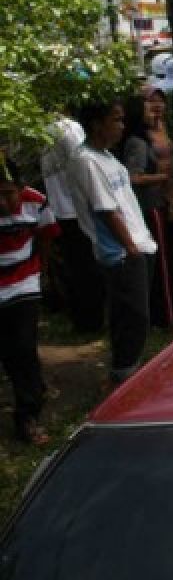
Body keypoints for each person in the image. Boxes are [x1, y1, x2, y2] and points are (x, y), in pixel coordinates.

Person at [69, 100, 158, 384]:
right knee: (133, 317)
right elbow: (105, 210)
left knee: (136, 316)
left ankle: (130, 371)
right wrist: (130, 248)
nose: (122, 126)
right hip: (120, 252)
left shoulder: (107, 156)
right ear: (97, 124)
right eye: (115, 120)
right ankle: (124, 376)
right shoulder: (86, 160)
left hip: (138, 245)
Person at [0, 155, 59, 444]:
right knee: (11, 351)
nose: (3, 203)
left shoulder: (36, 202)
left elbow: (46, 235)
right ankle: (32, 388)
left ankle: (28, 415)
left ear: (21, 188)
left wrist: (42, 272)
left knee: (23, 345)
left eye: (8, 194)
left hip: (25, 281)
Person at [39, 114, 104, 332]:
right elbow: (82, 164)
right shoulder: (69, 128)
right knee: (88, 267)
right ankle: (92, 320)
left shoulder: (42, 131)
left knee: (75, 267)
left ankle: (82, 319)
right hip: (77, 208)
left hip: (60, 209)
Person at [120, 92, 173, 328]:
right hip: (150, 204)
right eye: (146, 107)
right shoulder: (137, 142)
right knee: (161, 262)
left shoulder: (151, 136)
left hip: (159, 202)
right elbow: (134, 177)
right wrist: (164, 176)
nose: (153, 110)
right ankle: (166, 316)